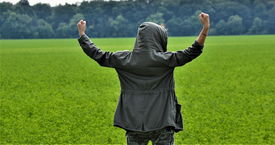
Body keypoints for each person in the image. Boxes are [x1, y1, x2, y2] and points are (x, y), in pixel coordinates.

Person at [77, 12, 210, 145]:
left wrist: (83, 35)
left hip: (134, 123)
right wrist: (205, 28)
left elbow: (98, 55)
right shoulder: (166, 60)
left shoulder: (123, 59)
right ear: (159, 38)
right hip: (162, 121)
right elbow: (194, 50)